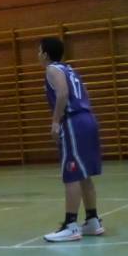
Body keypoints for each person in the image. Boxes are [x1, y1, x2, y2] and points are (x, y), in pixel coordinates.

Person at [38, 38, 104, 242]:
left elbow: (63, 94)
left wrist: (55, 121)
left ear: (46, 54)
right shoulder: (70, 69)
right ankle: (92, 220)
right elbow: (84, 94)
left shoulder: (52, 69)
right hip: (87, 118)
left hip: (73, 121)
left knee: (72, 173)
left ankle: (71, 225)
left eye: (39, 51)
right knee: (84, 174)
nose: (38, 55)